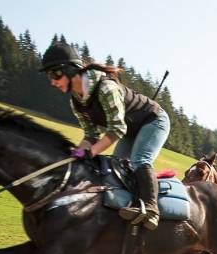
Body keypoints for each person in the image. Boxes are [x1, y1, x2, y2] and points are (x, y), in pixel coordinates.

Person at [39, 43, 170, 230]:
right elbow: (91, 135)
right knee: (117, 166)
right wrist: (75, 155)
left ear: (69, 70)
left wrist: (90, 153)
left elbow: (116, 129)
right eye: (48, 77)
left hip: (154, 121)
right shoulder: (76, 101)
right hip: (131, 129)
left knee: (139, 160)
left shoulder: (106, 88)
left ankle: (151, 208)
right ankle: (128, 206)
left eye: (54, 75)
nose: (52, 81)